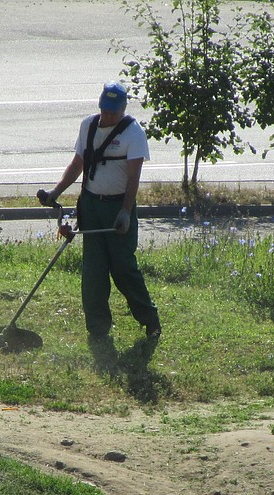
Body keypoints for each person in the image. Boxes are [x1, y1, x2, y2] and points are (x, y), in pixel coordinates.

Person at [40, 81, 162, 342]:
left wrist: (125, 212)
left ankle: (150, 320)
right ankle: (98, 329)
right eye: (104, 110)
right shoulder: (88, 126)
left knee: (123, 268)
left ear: (122, 110)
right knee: (93, 271)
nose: (107, 116)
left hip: (118, 206)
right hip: (91, 205)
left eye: (112, 112)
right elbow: (78, 164)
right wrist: (55, 193)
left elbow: (133, 178)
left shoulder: (133, 133)